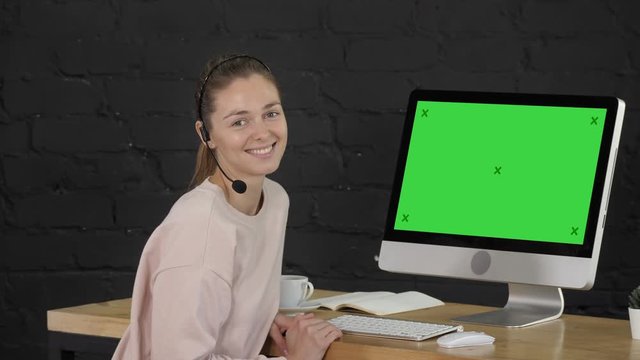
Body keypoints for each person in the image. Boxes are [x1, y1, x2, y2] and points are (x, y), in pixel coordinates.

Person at [112, 55, 342, 360]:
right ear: (206, 135)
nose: (262, 132)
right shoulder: (200, 229)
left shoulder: (275, 200)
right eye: (240, 121)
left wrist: (252, 319)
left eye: (271, 113)